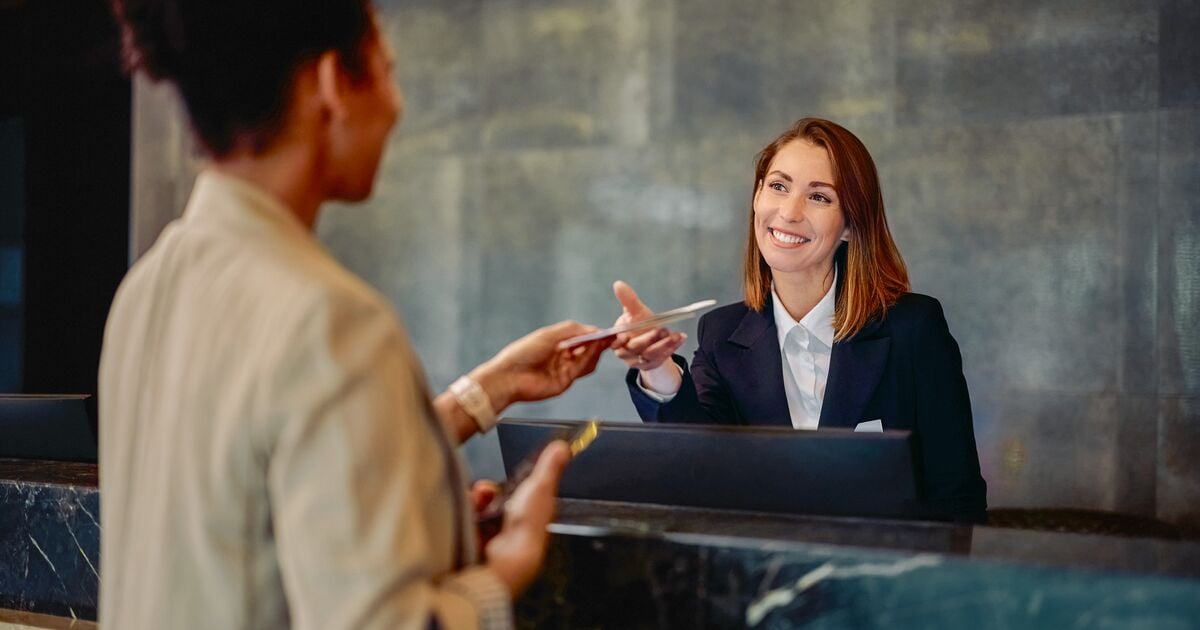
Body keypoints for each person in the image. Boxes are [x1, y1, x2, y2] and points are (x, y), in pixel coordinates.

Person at [99, 1, 608, 628]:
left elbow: (250, 500)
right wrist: (504, 568)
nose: (396, 106)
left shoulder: (145, 290)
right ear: (333, 85)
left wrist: (490, 390)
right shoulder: (331, 318)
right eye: (388, 70)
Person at [610, 117, 987, 523]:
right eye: (778, 186)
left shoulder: (913, 329)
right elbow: (698, 462)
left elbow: (957, 500)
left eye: (820, 197)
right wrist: (657, 366)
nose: (789, 212)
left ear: (850, 225)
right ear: (757, 197)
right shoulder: (721, 334)